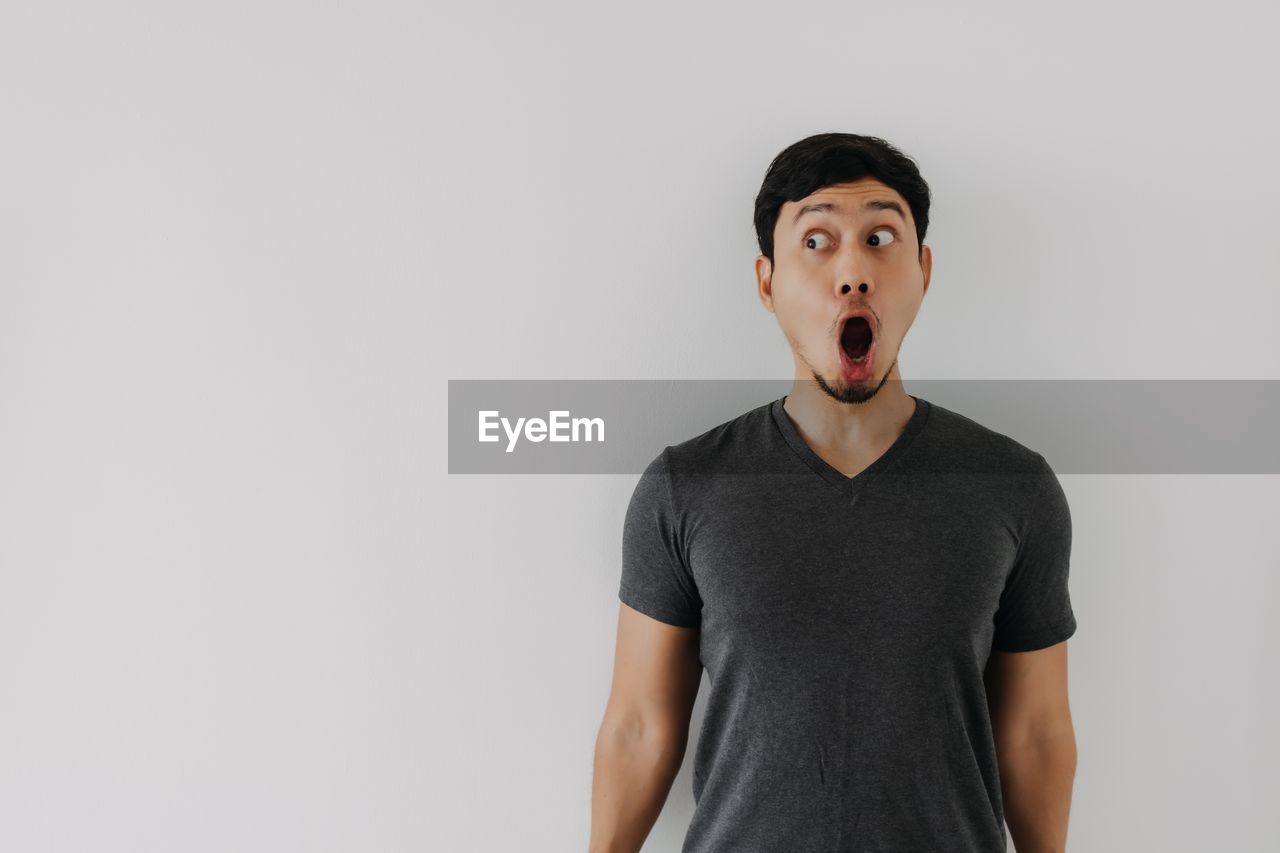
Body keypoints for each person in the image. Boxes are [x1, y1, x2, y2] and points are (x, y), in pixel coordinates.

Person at [589, 132, 1078, 853]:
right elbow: (638, 724)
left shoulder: (1013, 487)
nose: (853, 271)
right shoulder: (683, 487)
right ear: (767, 281)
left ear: (923, 271)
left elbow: (1036, 732)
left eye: (881, 237)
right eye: (816, 240)